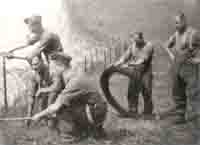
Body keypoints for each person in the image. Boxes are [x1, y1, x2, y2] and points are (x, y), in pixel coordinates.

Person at [32, 52, 108, 140]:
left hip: (94, 112)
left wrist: (39, 115)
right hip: (96, 109)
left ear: (60, 66)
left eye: (52, 67)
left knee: (61, 109)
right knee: (68, 103)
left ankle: (70, 136)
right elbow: (56, 88)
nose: (51, 70)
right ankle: (90, 131)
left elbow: (55, 107)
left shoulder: (74, 81)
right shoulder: (74, 75)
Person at [165, 12, 200, 126]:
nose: (176, 25)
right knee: (177, 91)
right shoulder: (176, 34)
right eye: (174, 23)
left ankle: (197, 117)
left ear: (184, 21)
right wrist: (171, 55)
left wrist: (198, 59)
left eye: (177, 22)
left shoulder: (193, 33)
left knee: (194, 92)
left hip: (189, 66)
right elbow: (166, 45)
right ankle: (180, 116)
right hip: (177, 65)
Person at [112, 32, 154, 119]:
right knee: (131, 91)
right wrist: (116, 64)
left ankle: (148, 112)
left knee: (146, 91)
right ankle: (132, 110)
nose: (135, 42)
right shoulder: (133, 46)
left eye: (137, 40)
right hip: (135, 71)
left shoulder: (149, 46)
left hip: (146, 71)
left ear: (141, 39)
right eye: (134, 40)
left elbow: (142, 60)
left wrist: (128, 65)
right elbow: (125, 57)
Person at [23, 55, 50, 127]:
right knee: (35, 98)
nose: (34, 67)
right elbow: (31, 95)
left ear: (42, 62)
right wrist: (29, 115)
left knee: (44, 100)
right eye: (32, 65)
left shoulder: (50, 71)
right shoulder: (33, 74)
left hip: (55, 92)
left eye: (36, 64)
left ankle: (46, 120)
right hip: (43, 90)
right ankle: (34, 120)